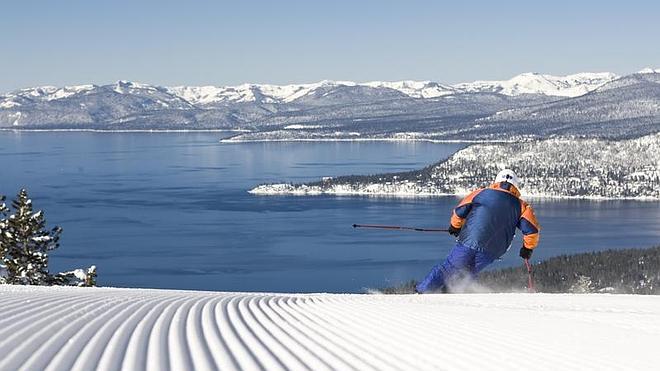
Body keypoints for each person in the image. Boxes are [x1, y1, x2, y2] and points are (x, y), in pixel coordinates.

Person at [416, 169, 540, 293]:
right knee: (468, 273)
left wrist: (455, 226)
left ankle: (422, 291)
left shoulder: (481, 193)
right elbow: (532, 231)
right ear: (516, 186)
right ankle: (449, 294)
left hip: (469, 241)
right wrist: (527, 248)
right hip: (493, 250)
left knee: (448, 269)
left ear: (497, 181)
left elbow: (460, 211)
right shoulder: (522, 206)